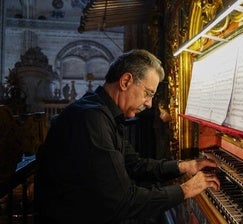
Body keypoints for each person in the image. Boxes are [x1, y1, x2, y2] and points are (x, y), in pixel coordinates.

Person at [35, 49, 220, 224]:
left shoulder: (102, 112)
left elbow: (135, 165)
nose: (149, 104)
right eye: (148, 94)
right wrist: (187, 189)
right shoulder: (91, 119)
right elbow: (123, 202)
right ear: (125, 82)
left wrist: (186, 166)